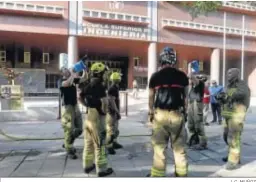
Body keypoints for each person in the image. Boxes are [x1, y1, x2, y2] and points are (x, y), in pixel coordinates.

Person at [147, 47, 189, 177]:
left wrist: (151, 113)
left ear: (161, 59)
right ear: (174, 60)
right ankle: (181, 175)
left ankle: (158, 175)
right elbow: (186, 98)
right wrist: (184, 113)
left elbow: (151, 97)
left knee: (159, 148)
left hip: (160, 115)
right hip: (177, 114)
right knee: (179, 148)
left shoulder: (155, 76)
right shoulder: (182, 76)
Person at [80, 62, 113, 177]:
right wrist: (104, 111)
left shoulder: (87, 84)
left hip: (88, 116)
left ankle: (87, 166)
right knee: (100, 144)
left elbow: (80, 96)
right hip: (97, 118)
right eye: (104, 72)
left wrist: (86, 105)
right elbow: (104, 103)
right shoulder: (101, 85)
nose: (105, 75)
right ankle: (101, 169)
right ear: (99, 74)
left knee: (88, 143)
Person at [216, 68, 250, 170]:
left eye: (230, 73)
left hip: (236, 115)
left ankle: (233, 161)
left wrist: (227, 95)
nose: (228, 75)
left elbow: (243, 94)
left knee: (234, 138)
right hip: (227, 115)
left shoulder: (241, 84)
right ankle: (233, 155)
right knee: (226, 137)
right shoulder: (228, 86)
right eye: (227, 73)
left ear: (236, 74)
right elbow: (227, 99)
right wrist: (221, 98)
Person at [60, 67, 88, 159]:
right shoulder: (61, 81)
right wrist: (73, 73)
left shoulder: (73, 80)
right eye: (64, 69)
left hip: (75, 106)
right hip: (67, 108)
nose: (67, 70)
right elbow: (67, 83)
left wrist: (85, 70)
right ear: (62, 73)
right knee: (69, 129)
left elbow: (84, 78)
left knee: (79, 128)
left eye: (67, 69)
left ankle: (67, 143)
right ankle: (69, 149)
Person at [187, 73, 207, 150]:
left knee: (198, 123)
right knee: (190, 123)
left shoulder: (201, 83)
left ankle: (202, 143)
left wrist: (191, 75)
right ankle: (194, 139)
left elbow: (194, 79)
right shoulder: (193, 86)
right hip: (191, 103)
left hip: (197, 104)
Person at [105, 72, 122, 155]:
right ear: (117, 79)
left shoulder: (115, 87)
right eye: (119, 77)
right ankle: (109, 146)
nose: (120, 79)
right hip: (112, 112)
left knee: (115, 129)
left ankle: (114, 142)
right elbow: (111, 101)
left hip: (114, 112)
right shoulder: (112, 88)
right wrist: (117, 112)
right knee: (111, 130)